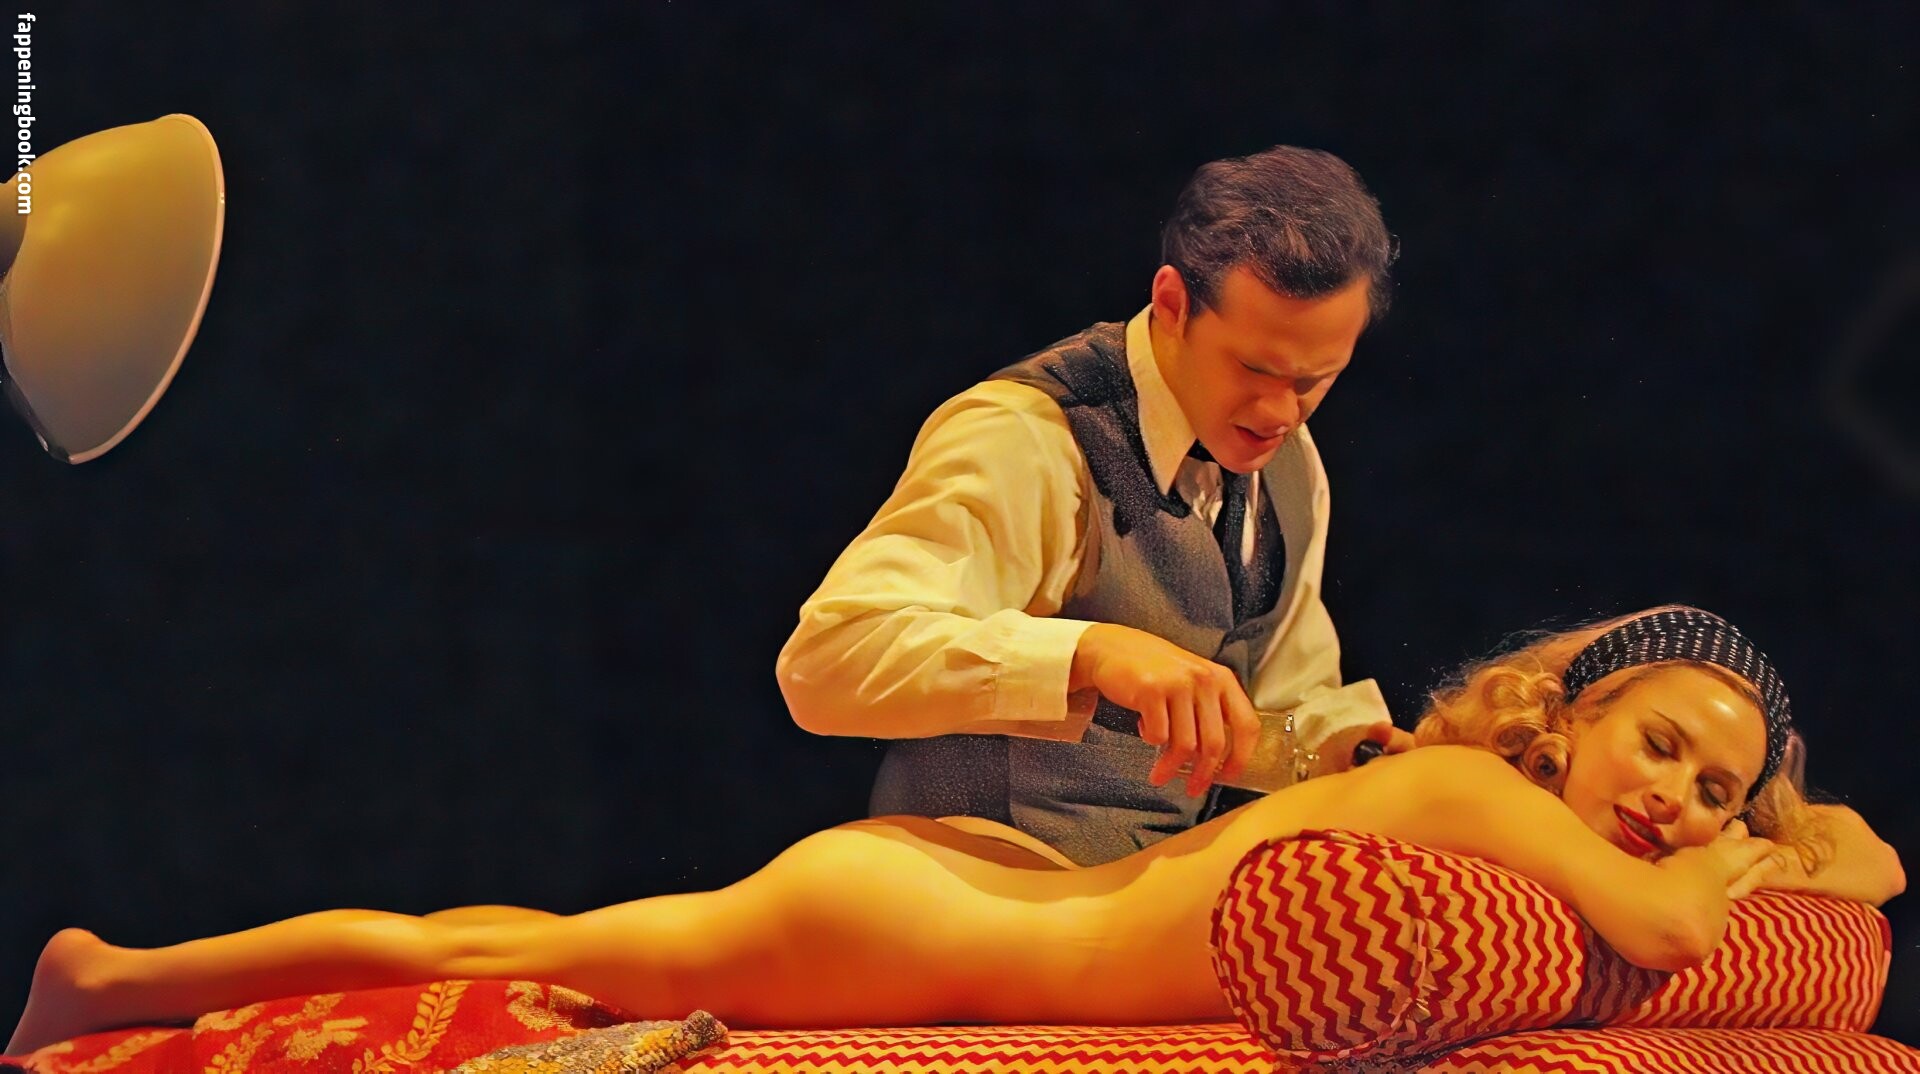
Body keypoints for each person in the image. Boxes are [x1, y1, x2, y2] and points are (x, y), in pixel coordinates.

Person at [9, 607, 1904, 1055]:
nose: (1675, 800)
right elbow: (1675, 931)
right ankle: (116, 976)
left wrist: (1785, 822)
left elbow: (1882, 857)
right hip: (914, 928)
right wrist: (1746, 855)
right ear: (1574, 715)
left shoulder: (1502, 822)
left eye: (1715, 786)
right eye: (1662, 748)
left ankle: (121, 973)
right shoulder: (1480, 789)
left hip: (995, 893)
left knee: (521, 929)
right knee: (500, 946)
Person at [777, 145, 1413, 867]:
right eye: (1252, 368)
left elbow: (1287, 693)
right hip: (983, 888)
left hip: (1162, 891)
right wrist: (1089, 653)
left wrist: (1350, 753)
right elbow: (825, 664)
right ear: (1172, 304)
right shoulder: (1028, 436)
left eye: (1314, 380)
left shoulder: (1292, 461)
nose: (1279, 412)